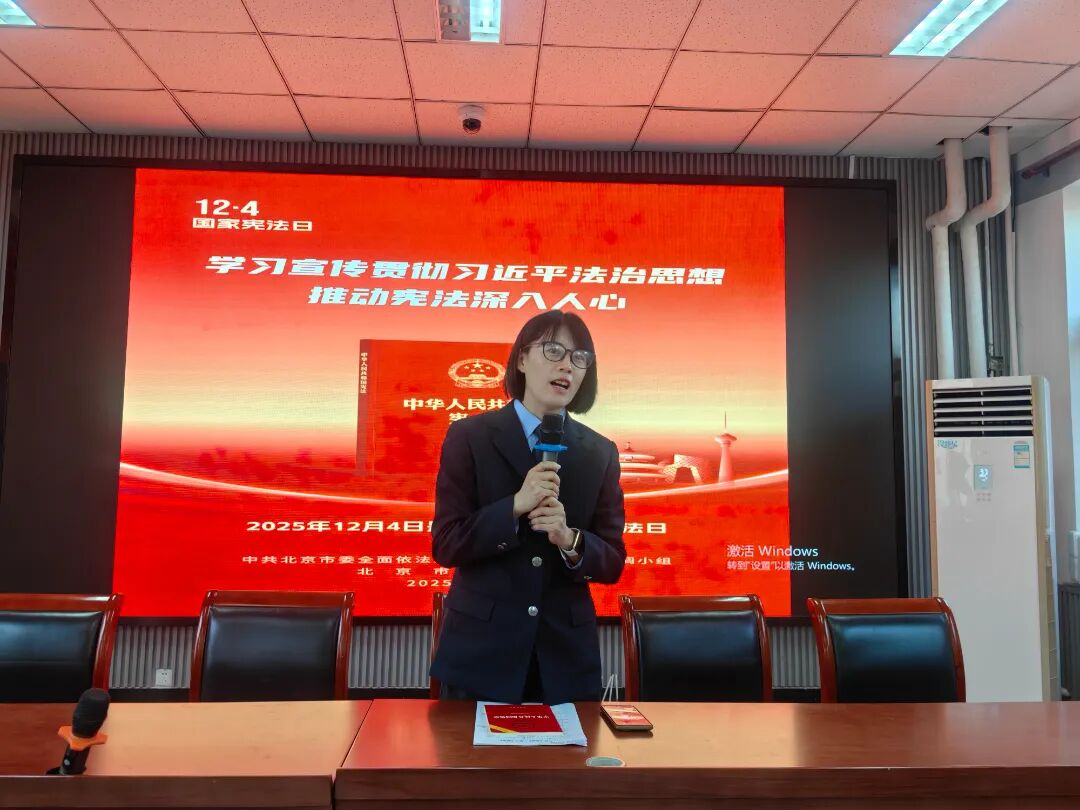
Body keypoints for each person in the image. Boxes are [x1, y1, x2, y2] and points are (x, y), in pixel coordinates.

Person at [430, 310, 626, 704]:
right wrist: (514, 507)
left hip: (565, 663)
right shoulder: (469, 436)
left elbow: (612, 561)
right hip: (480, 657)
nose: (567, 366)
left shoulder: (599, 452)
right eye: (554, 351)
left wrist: (570, 540)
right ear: (521, 359)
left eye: (579, 357)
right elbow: (446, 544)